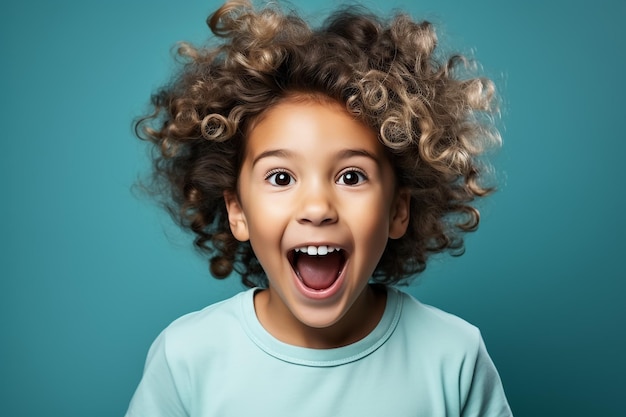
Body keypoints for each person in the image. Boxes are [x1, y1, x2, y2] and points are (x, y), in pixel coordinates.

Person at [125, 0, 513, 415]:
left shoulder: (453, 356)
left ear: (398, 210)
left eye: (351, 177)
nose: (316, 207)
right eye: (281, 177)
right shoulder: (187, 359)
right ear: (237, 211)